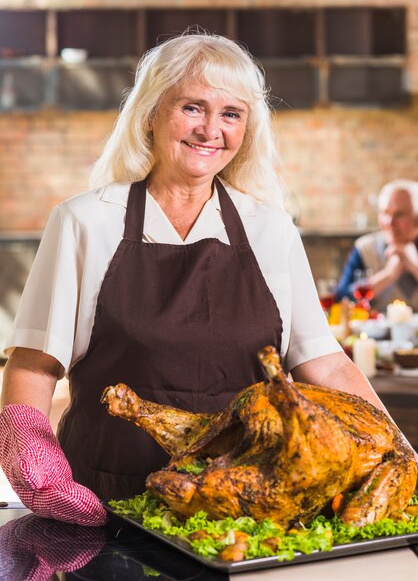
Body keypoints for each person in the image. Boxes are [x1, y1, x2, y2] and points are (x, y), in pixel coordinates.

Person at [0, 32, 416, 527]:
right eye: (192, 107)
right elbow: (34, 365)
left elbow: (323, 362)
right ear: (151, 113)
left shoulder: (270, 228)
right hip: (106, 497)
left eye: (231, 113)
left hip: (241, 503)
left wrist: (401, 453)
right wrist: (33, 465)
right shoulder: (85, 222)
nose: (210, 129)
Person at [336, 179, 418, 312]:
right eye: (385, 213)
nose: (390, 222)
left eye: (399, 214)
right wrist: (388, 274)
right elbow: (341, 300)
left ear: (416, 218)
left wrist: (415, 267)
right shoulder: (365, 248)